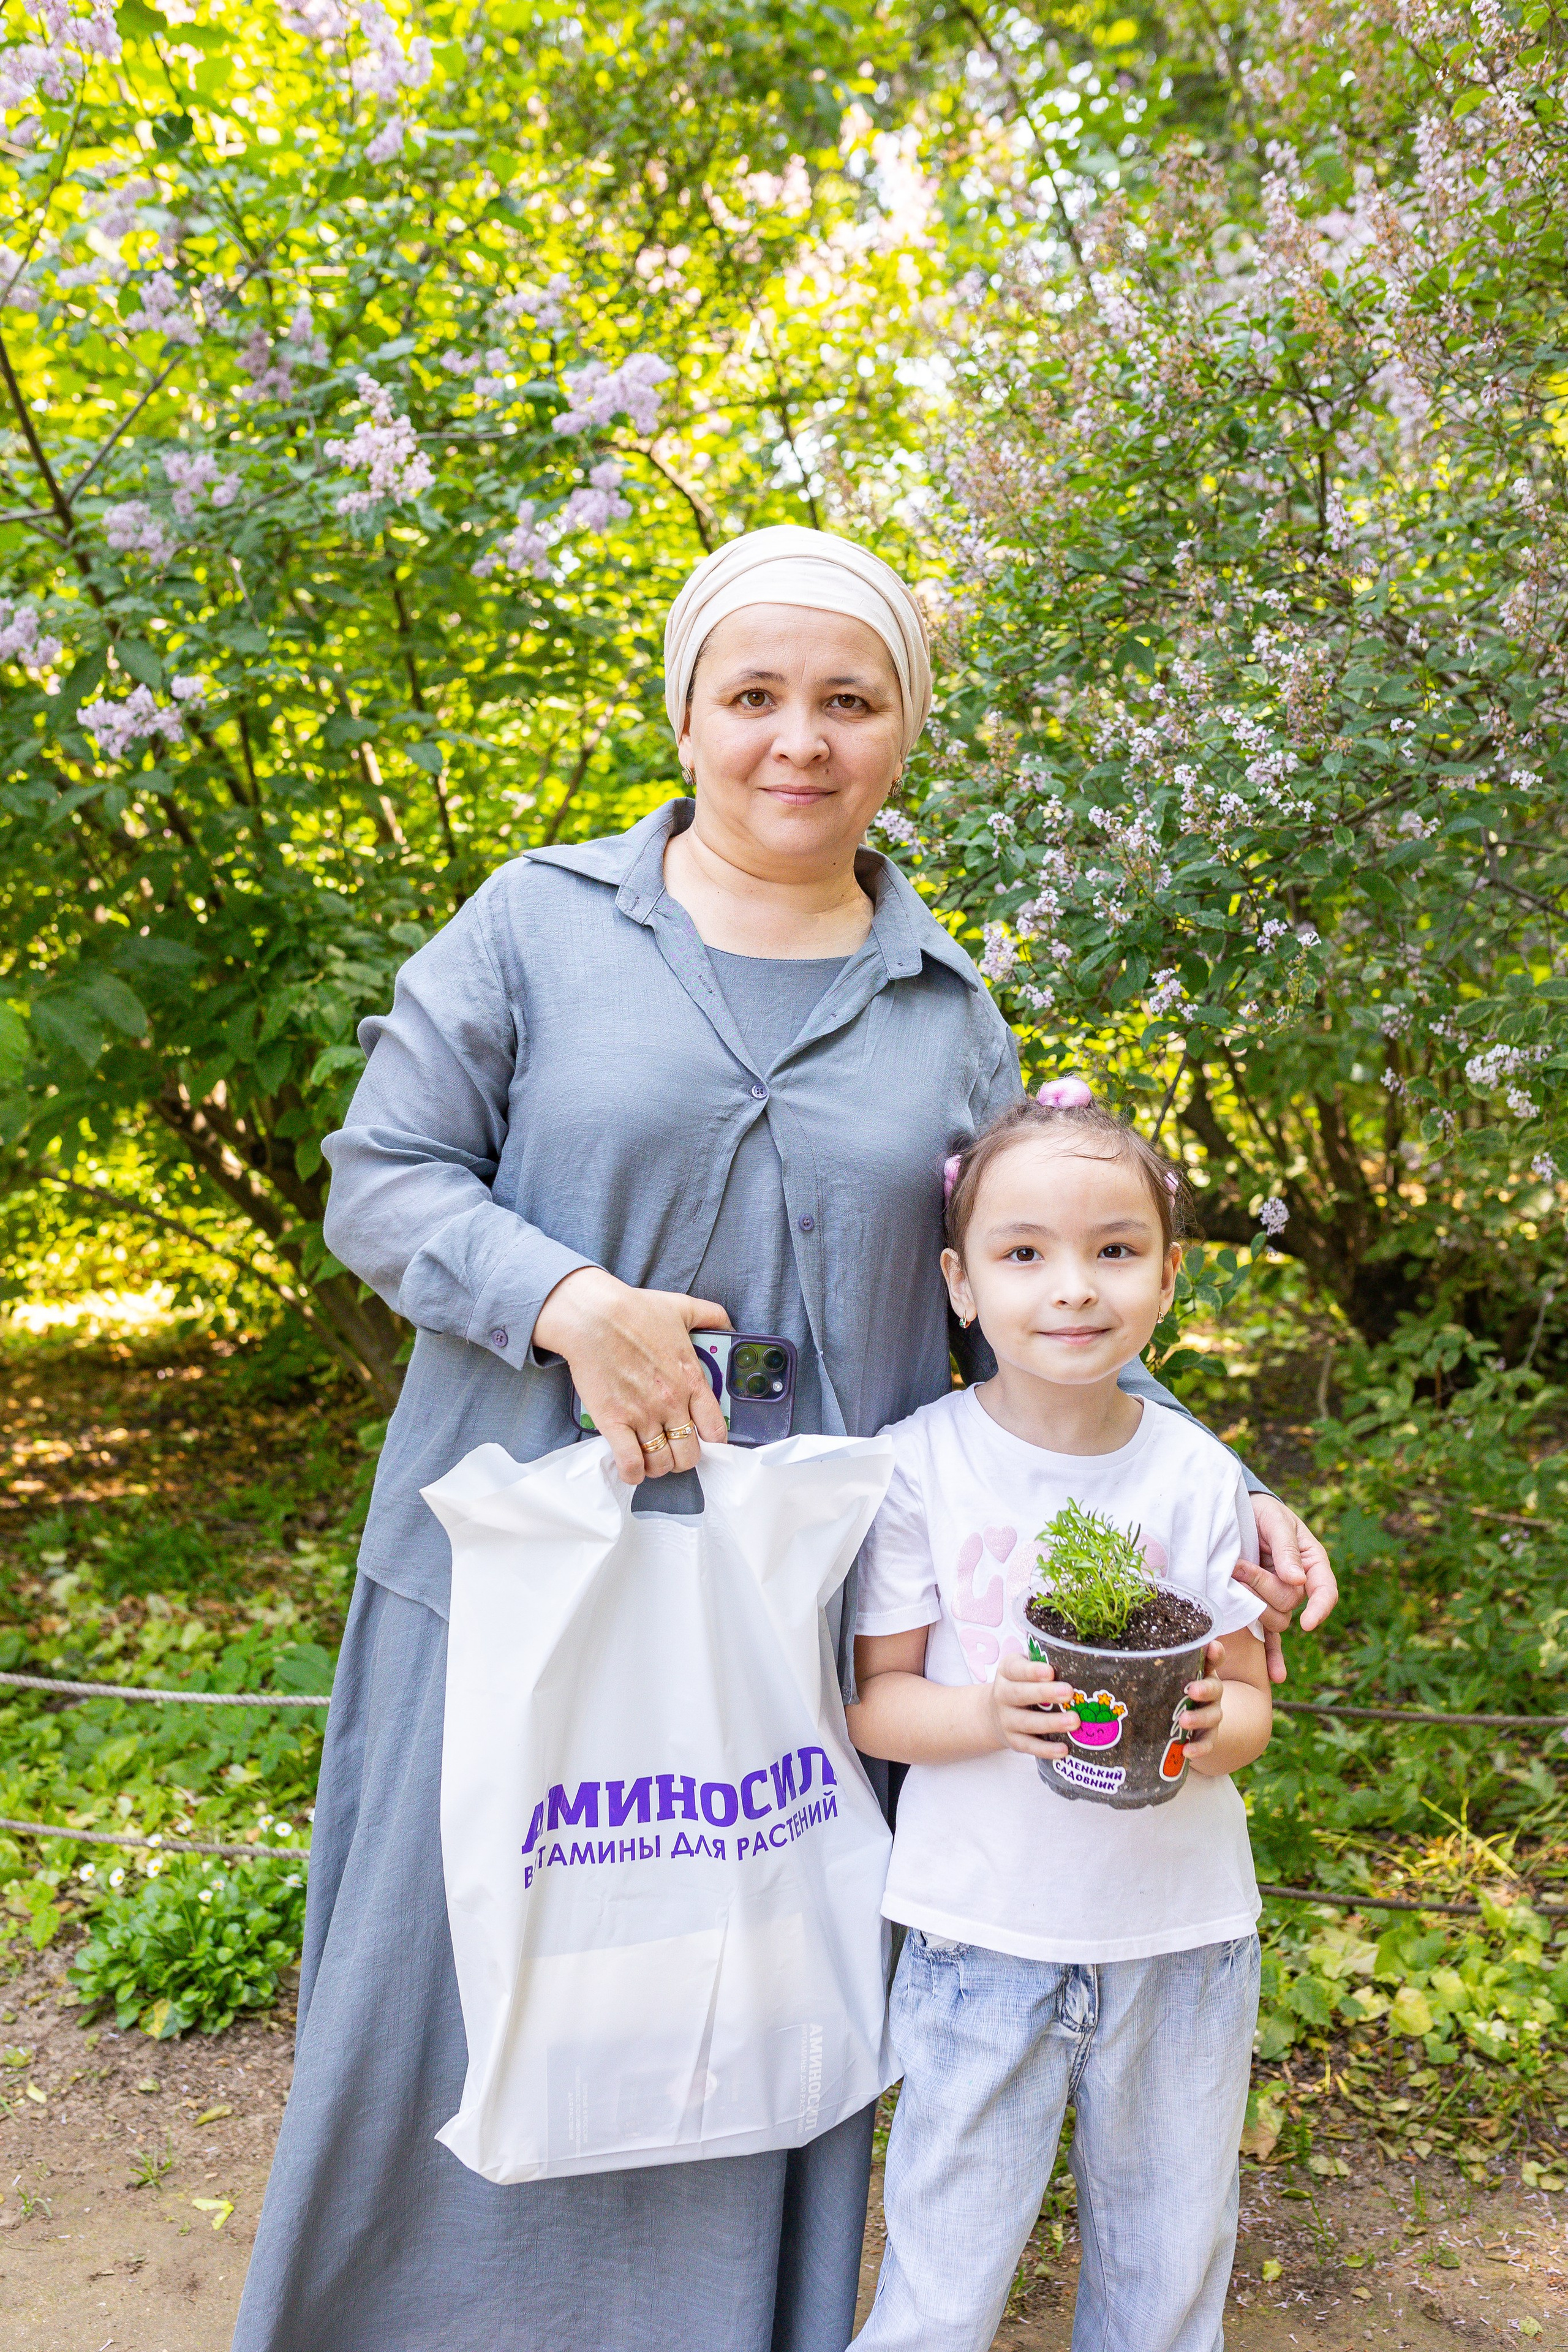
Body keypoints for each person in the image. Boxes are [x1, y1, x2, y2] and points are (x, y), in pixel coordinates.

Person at [230, 525, 1333, 2352]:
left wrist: (1226, 1491)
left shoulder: (948, 1013)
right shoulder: (532, 924)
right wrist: (569, 1301)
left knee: (757, 1986)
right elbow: (381, 1180)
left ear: (904, 732)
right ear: (686, 716)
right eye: (754, 696)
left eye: (849, 699)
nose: (797, 740)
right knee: (469, 1978)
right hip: (525, 1596)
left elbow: (1038, 1303)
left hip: (797, 1632)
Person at [847, 1091, 1276, 2352]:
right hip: (979, 1936)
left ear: (1165, 1277)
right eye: (1022, 1253)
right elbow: (877, 1705)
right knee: (943, 2271)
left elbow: (1248, 1697)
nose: (1071, 1289)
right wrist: (987, 1711)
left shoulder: (1197, 1475)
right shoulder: (917, 1466)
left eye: (1114, 1250)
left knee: (1166, 2265)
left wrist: (1210, 1722)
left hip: (1182, 1938)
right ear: (959, 1283)